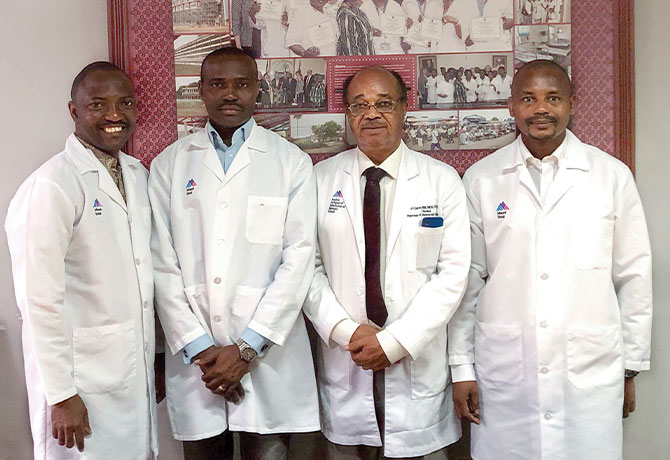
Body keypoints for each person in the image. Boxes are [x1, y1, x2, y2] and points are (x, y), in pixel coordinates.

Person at [449, 60, 653, 460]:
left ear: (572, 104)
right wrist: (462, 367)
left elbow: (634, 274)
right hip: (507, 372)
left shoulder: (611, 176)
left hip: (590, 371)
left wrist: (628, 367)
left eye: (552, 98)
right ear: (511, 106)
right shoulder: (481, 178)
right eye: (528, 98)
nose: (540, 108)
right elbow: (467, 278)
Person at [149, 47, 320, 460]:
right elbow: (161, 264)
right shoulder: (170, 165)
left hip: (267, 354)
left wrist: (246, 348)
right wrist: (201, 347)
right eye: (218, 84)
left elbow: (299, 260)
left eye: (241, 84)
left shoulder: (291, 163)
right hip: (198, 362)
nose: (230, 94)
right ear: (201, 90)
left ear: (256, 89)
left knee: (271, 451)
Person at [303, 65, 471, 459]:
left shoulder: (441, 180)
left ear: (404, 107)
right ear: (347, 115)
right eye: (358, 105)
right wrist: (345, 331)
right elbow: (305, 267)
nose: (371, 114)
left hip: (417, 357)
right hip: (348, 356)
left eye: (383, 103)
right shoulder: (319, 180)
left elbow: (453, 274)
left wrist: (396, 341)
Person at [5, 62, 158, 459]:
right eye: (98, 105)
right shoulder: (52, 185)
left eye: (125, 102)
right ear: (74, 111)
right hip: (79, 383)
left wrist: (152, 358)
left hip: (127, 370)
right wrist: (60, 394)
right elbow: (39, 302)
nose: (114, 115)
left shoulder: (137, 175)